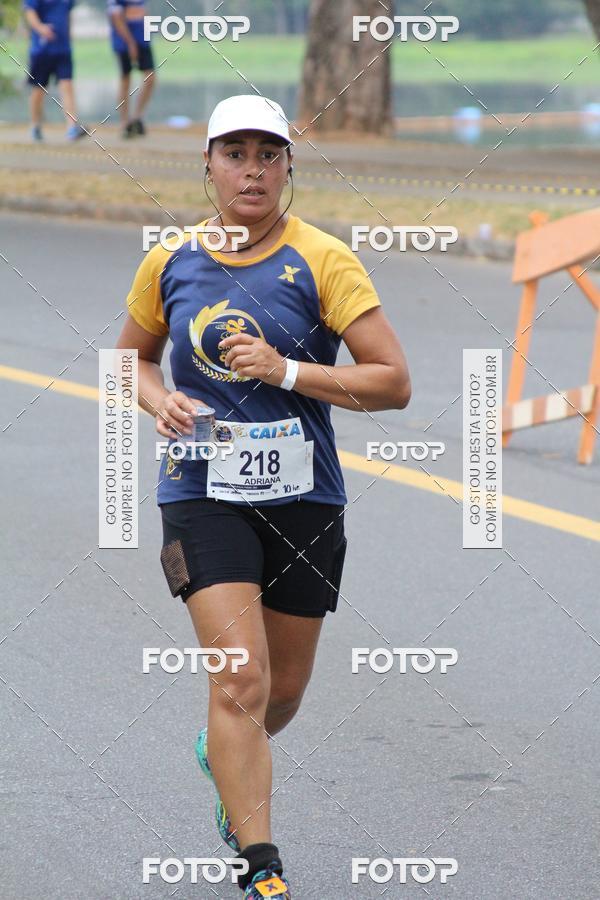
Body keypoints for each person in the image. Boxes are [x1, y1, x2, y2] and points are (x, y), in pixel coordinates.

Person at [116, 94, 411, 898]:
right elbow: (129, 360)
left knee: (281, 691)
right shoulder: (170, 261)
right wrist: (158, 399)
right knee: (238, 680)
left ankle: (226, 759)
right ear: (206, 164)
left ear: (289, 167)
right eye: (235, 153)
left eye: (267, 154)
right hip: (200, 490)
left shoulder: (323, 260)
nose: (252, 169)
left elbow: (393, 383)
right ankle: (261, 865)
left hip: (304, 497)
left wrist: (287, 371)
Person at [23, 0, 87, 142]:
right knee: (38, 90)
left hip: (63, 49)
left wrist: (69, 36)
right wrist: (41, 28)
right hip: (41, 50)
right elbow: (30, 13)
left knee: (67, 85)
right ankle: (35, 125)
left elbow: (68, 15)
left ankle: (71, 128)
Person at [106, 0, 155, 138]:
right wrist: (130, 42)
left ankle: (137, 118)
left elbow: (142, 11)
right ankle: (124, 122)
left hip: (142, 39)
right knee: (125, 79)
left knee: (150, 77)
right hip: (123, 42)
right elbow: (116, 17)